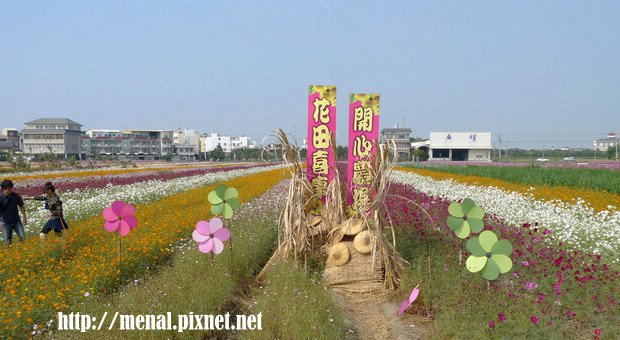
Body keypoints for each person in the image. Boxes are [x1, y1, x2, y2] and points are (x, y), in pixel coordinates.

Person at [0, 179, 27, 245]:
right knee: (8, 242)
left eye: (11, 188)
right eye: (8, 189)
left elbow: (21, 206)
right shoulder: (0, 198)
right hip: (5, 223)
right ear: (3, 189)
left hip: (16, 221)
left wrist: (24, 217)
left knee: (23, 238)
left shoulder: (15, 196)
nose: (10, 190)